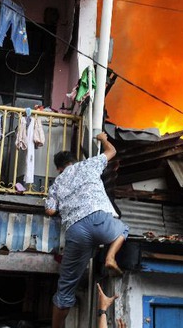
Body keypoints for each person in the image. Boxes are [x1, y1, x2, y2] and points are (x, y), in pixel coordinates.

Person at [45, 132, 129, 328]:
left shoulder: (56, 183)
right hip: (100, 219)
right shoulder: (88, 164)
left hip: (75, 230)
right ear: (74, 161)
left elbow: (50, 210)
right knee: (123, 229)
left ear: (59, 169)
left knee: (65, 288)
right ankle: (110, 257)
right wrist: (102, 138)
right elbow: (112, 151)